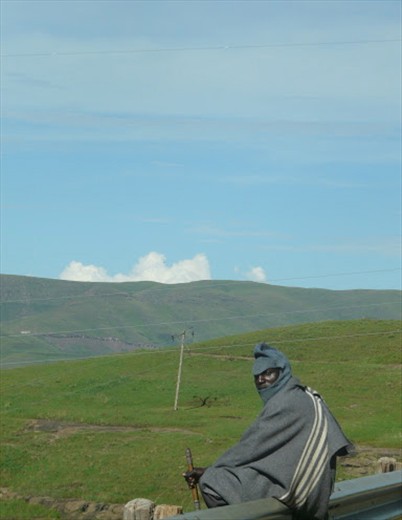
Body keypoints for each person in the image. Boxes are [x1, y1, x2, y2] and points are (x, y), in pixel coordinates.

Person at [183, 342, 354, 520]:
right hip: (313, 491)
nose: (261, 380)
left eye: (268, 373)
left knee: (212, 481)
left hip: (297, 492)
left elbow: (250, 448)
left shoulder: (285, 402)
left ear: (282, 372)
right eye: (257, 376)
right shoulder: (301, 396)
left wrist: (211, 470)